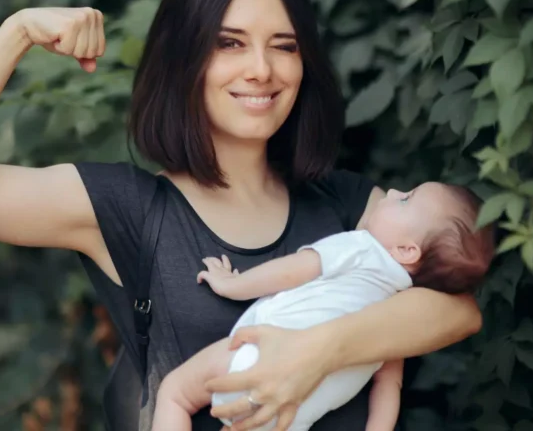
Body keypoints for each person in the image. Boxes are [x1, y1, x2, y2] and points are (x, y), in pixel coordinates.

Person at [0, 0, 484, 431]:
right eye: (230, 43)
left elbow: (456, 310)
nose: (262, 69)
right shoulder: (128, 209)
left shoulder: (343, 203)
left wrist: (314, 353)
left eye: (284, 45)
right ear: (184, 60)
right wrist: (17, 31)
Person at [152, 182, 494, 431]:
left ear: (407, 250)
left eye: (405, 199)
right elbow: (389, 385)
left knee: (175, 394)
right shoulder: (399, 315)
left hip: (253, 358)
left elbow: (291, 271)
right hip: (293, 415)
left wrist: (232, 284)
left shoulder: (361, 248)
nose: (391, 192)